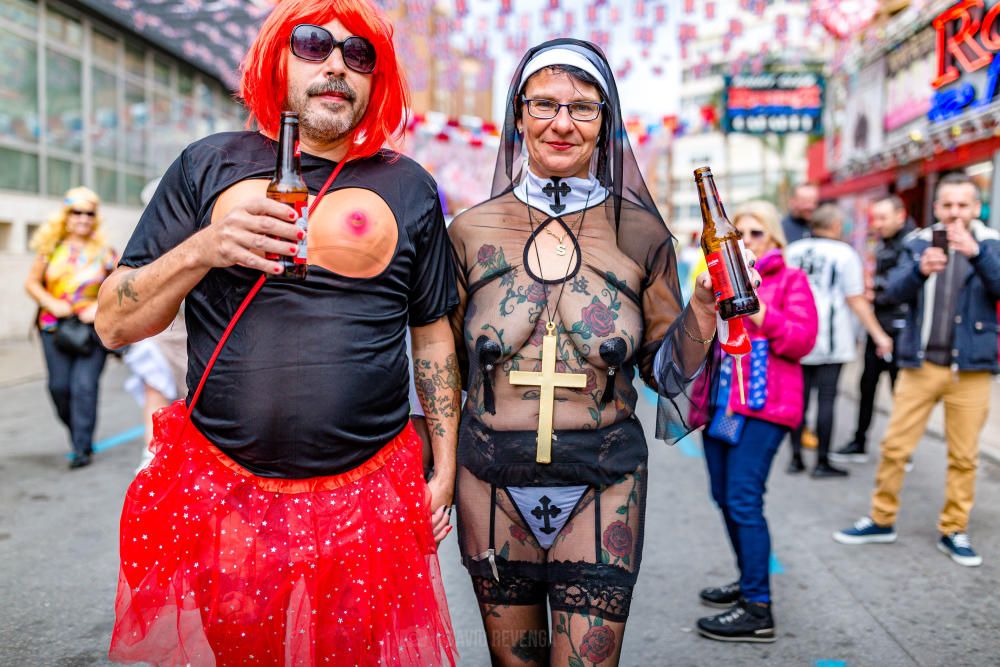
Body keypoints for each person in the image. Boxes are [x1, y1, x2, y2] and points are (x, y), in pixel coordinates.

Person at [95, 1, 459, 663]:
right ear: (276, 59)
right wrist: (204, 247)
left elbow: (432, 334)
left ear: (378, 80)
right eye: (315, 45)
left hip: (370, 492)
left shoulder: (410, 186)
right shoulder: (208, 164)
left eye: (359, 55)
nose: (336, 67)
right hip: (226, 490)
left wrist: (446, 464)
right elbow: (114, 321)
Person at [447, 39, 757, 664]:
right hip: (490, 481)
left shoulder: (642, 235)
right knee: (515, 660)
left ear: (605, 123)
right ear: (518, 116)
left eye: (583, 108)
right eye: (544, 104)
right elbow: (439, 365)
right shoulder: (469, 230)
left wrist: (700, 310)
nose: (562, 123)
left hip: (604, 479)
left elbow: (664, 373)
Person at [834, 172, 1000, 567]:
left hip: (970, 369)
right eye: (947, 205)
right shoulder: (918, 243)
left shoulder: (991, 243)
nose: (955, 213)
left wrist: (976, 253)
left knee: (964, 456)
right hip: (919, 364)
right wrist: (920, 271)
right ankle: (881, 519)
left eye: (963, 205)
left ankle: (954, 529)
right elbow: (890, 294)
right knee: (894, 448)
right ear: (936, 207)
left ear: (975, 207)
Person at [696, 201, 817, 643]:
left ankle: (758, 607)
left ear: (774, 238)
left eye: (755, 233)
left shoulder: (790, 280)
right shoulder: (716, 282)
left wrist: (758, 307)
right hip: (722, 405)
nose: (744, 242)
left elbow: (803, 340)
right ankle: (748, 579)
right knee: (724, 497)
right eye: (737, 234)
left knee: (744, 499)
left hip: (766, 409)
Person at [785, 204, 893, 477]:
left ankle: (796, 458)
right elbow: (855, 299)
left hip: (797, 335)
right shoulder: (845, 254)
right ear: (834, 226)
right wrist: (879, 334)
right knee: (827, 399)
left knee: (799, 399)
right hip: (831, 338)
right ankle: (822, 461)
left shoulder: (793, 251)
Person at [24, 186, 117, 470]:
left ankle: (81, 447)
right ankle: (78, 430)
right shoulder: (50, 249)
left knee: (84, 387)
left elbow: (121, 287)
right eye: (77, 212)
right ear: (65, 215)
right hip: (54, 327)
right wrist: (51, 303)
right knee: (60, 387)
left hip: (91, 329)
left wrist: (99, 308)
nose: (83, 218)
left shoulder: (105, 252)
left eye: (89, 213)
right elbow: (31, 283)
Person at [833, 195, 914, 463]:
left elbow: (901, 287)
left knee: (900, 392)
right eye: (874, 219)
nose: (877, 224)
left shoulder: (912, 244)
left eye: (882, 218)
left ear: (900, 216)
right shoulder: (883, 244)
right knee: (866, 385)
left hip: (902, 331)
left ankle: (903, 451)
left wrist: (872, 289)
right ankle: (859, 441)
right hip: (877, 325)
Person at [122, 310, 187, 472]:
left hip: (196, 329)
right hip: (156, 330)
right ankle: (153, 451)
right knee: (155, 388)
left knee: (194, 398)